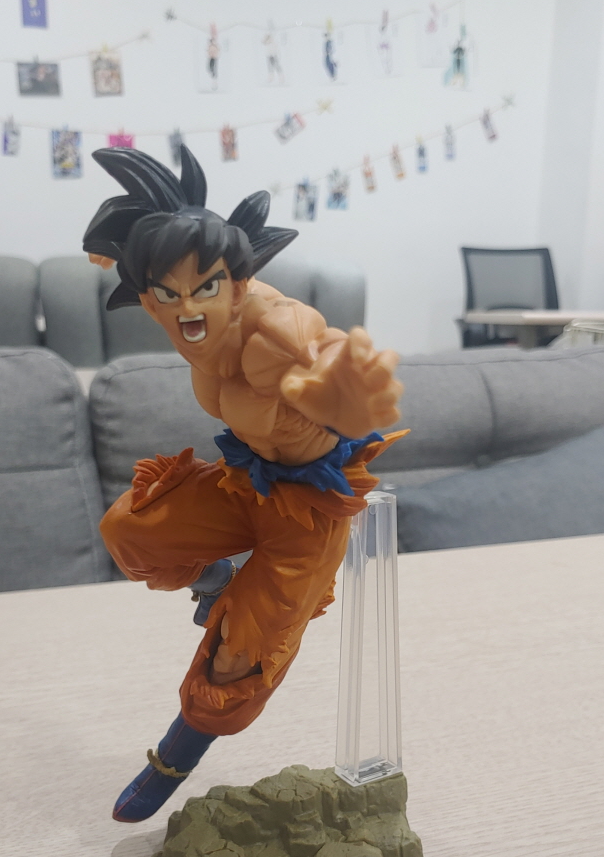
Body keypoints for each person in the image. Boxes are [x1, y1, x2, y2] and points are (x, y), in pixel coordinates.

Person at [82, 145, 403, 822]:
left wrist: (343, 393)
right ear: (146, 295)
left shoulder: (275, 330)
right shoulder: (182, 324)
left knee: (238, 656)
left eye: (205, 287)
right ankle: (217, 578)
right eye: (166, 292)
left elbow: (319, 355)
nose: (187, 307)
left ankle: (172, 760)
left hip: (309, 511)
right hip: (246, 480)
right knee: (129, 529)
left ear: (236, 282)